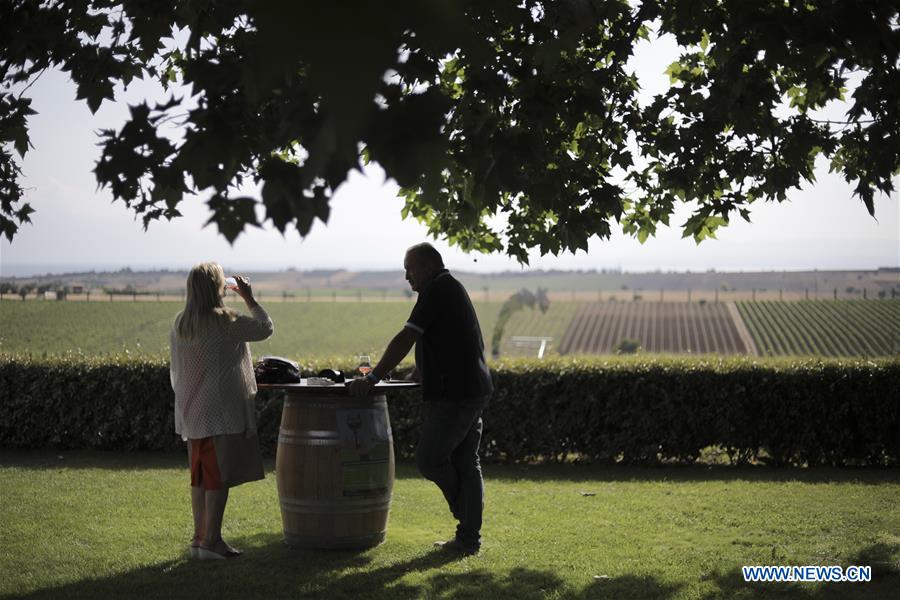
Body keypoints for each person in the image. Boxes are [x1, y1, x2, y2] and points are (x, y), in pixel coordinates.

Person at [350, 243, 493, 555]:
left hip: (455, 395)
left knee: (429, 460)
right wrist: (421, 370)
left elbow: (408, 336)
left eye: (409, 268)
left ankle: (467, 517)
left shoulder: (437, 289)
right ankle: (469, 538)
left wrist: (373, 377)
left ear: (427, 267)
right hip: (472, 389)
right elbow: (449, 340)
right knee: (467, 462)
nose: (406, 276)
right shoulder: (449, 287)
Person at [170, 262, 274, 560]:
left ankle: (199, 538)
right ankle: (212, 542)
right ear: (219, 288)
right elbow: (266, 328)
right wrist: (249, 298)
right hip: (220, 409)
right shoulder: (226, 321)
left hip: (192, 409)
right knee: (217, 477)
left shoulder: (182, 322)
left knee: (200, 476)